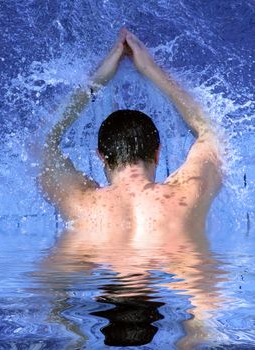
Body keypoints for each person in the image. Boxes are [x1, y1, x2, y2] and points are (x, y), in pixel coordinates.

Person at [40, 28, 224, 347]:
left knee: (51, 303)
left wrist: (101, 74)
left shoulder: (81, 203)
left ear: (101, 157)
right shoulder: (185, 195)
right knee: (204, 323)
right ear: (157, 152)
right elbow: (210, 132)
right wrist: (150, 69)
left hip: (76, 262)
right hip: (184, 263)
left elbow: (44, 141)